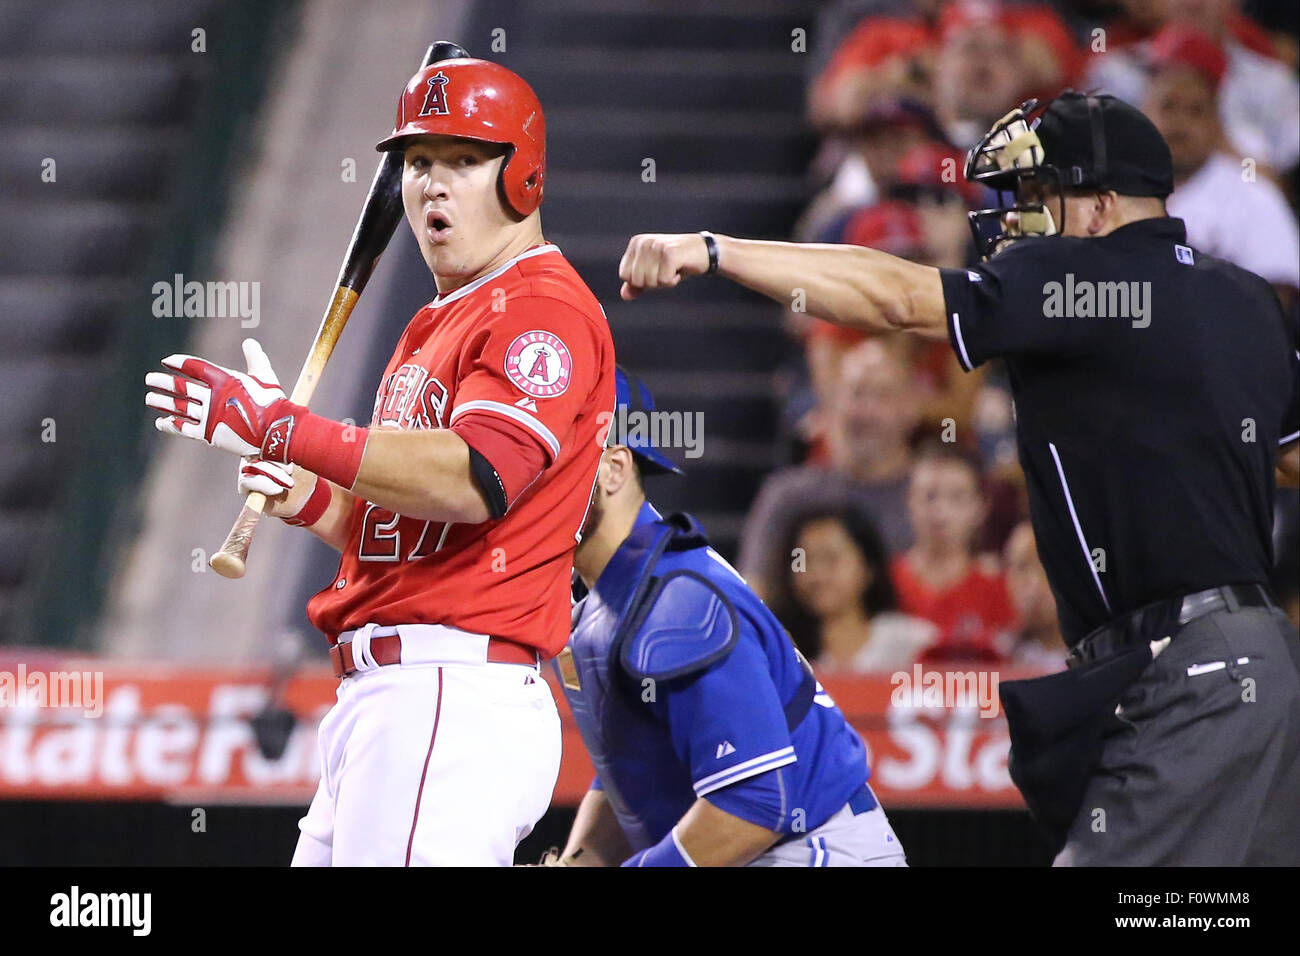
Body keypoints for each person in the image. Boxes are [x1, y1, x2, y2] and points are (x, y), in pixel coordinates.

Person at [616, 89, 1300, 865]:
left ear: (1103, 205)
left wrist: (715, 249)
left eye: (1043, 195)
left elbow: (899, 298)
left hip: (1186, 670)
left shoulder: (1081, 277)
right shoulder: (1245, 297)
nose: (1021, 219)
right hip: (1258, 668)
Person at [144, 50, 616, 865]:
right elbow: (411, 535)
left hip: (450, 696)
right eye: (418, 162)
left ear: (522, 176)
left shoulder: (540, 307)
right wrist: (312, 499)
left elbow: (478, 479)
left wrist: (285, 428)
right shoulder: (435, 323)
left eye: (464, 161)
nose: (432, 183)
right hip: (393, 699)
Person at [549, 370, 906, 867]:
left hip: (811, 850)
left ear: (613, 469)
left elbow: (754, 805)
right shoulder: (606, 598)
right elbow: (631, 772)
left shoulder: (677, 602)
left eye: (548, 458)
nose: (527, 478)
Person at [738, 338, 919, 602]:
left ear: (910, 408)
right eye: (856, 393)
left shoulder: (932, 499)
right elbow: (752, 594)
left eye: (882, 396)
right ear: (833, 405)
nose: (866, 411)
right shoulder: (787, 496)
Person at [1142, 24, 1300, 302]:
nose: (1179, 124)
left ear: (1217, 122)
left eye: (1196, 111)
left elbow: (1277, 300)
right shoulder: (1113, 191)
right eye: (1168, 106)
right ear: (1144, 111)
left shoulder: (1254, 196)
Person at [767, 504, 937, 673]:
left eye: (831, 559)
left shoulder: (914, 643)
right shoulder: (778, 649)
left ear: (868, 568)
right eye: (804, 562)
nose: (817, 574)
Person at [893, 442, 1014, 665]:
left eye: (957, 498)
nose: (941, 513)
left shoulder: (1001, 588)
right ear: (909, 500)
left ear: (981, 507)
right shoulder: (883, 583)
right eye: (929, 496)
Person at [1002, 521, 1066, 672]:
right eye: (1021, 567)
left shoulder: (1096, 657)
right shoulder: (994, 652)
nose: (1034, 585)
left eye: (1047, 568)